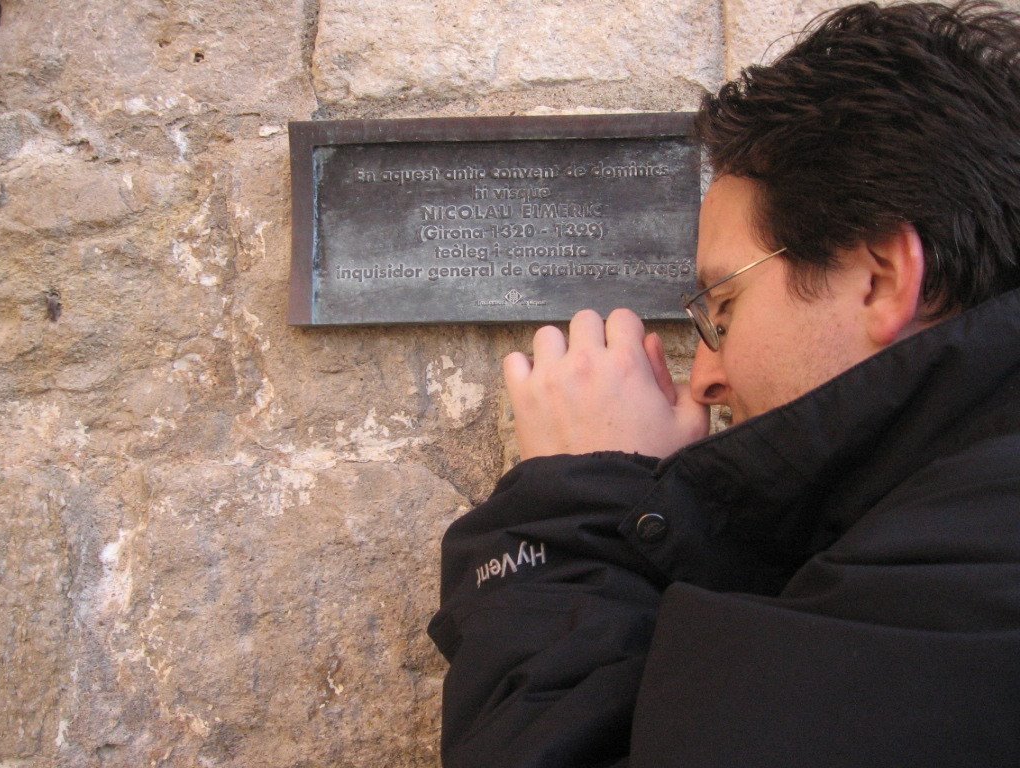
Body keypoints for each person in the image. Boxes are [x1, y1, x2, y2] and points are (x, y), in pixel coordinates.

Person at [427, 2, 1020, 766]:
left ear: (881, 277)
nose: (704, 376)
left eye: (725, 306)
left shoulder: (964, 582)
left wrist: (571, 508)